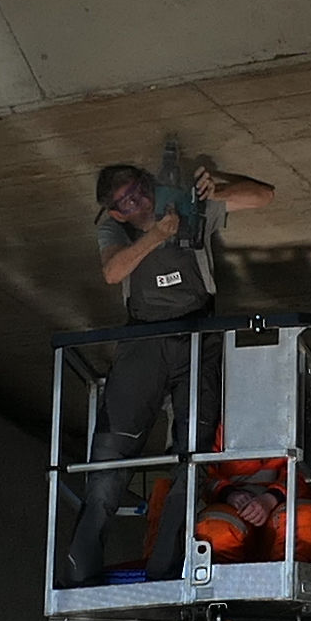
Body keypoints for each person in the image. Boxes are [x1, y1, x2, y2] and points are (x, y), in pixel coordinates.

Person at [70, 149, 274, 584]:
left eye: (140, 191)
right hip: (143, 340)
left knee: (193, 452)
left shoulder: (187, 204)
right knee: (111, 450)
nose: (137, 203)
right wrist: (158, 235)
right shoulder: (114, 229)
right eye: (126, 202)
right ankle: (80, 566)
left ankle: (165, 568)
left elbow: (263, 196)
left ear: (149, 182)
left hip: (198, 336)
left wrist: (216, 184)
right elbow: (112, 271)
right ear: (114, 211)